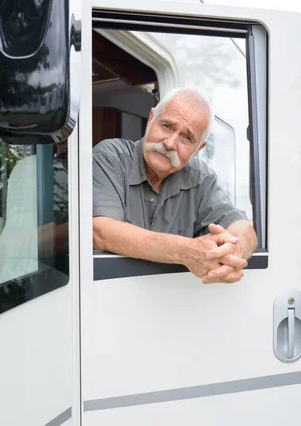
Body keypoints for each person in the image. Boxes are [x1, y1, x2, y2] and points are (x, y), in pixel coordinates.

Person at [92, 88, 257, 284]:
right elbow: (100, 232)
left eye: (186, 138)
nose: (170, 143)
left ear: (198, 150)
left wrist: (234, 251)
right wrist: (186, 251)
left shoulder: (201, 179)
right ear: (151, 118)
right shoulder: (112, 157)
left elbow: (242, 227)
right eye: (167, 126)